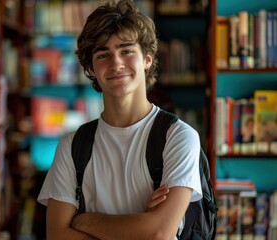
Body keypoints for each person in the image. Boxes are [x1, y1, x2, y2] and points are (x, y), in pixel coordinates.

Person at [37, 0, 202, 239]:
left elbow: (159, 233)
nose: (116, 63)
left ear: (147, 59)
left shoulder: (178, 137)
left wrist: (87, 222)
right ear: (90, 67)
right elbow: (56, 235)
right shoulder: (72, 146)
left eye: (126, 50)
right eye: (103, 54)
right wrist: (140, 224)